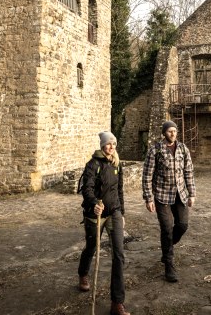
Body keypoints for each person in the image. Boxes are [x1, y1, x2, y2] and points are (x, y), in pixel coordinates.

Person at [78, 131, 130, 315]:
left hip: (114, 211)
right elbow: (87, 188)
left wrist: (121, 212)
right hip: (96, 214)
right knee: (91, 247)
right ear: (102, 145)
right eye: (108, 144)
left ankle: (117, 302)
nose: (111, 147)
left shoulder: (117, 164)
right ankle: (83, 273)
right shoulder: (92, 164)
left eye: (113, 144)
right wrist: (94, 204)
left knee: (119, 254)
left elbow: (120, 190)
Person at [142, 120, 196, 283]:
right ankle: (169, 266)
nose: (173, 133)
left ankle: (167, 249)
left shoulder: (183, 149)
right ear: (164, 133)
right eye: (170, 131)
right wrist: (148, 198)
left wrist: (192, 193)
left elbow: (189, 171)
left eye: (175, 131)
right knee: (166, 228)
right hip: (162, 195)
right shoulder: (155, 150)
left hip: (181, 194)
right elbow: (147, 175)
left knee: (182, 225)